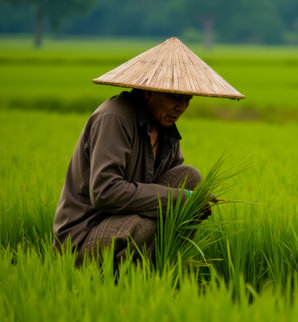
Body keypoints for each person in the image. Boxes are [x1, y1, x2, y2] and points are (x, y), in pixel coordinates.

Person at [53, 37, 244, 267]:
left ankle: (158, 270)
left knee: (190, 178)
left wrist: (192, 205)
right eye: (174, 97)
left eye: (187, 99)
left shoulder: (165, 128)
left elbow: (169, 193)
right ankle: (127, 278)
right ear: (149, 91)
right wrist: (184, 200)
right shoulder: (115, 118)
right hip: (84, 237)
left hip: (124, 220)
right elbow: (105, 192)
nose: (181, 107)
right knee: (153, 220)